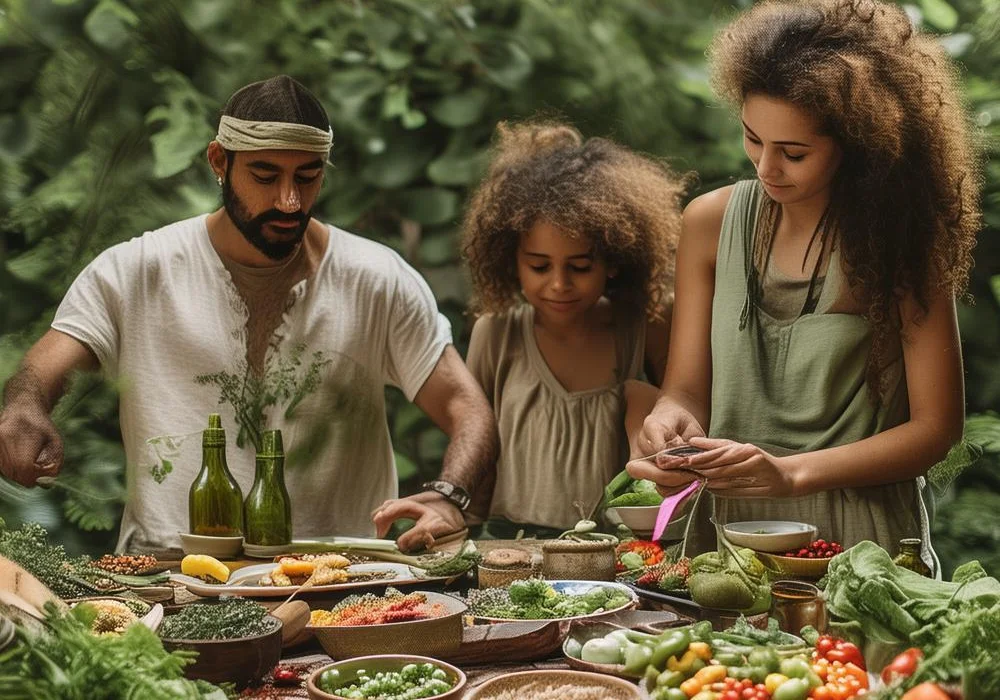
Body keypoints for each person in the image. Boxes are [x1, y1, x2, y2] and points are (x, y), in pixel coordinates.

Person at [0, 75, 498, 553]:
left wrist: (448, 495)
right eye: (266, 175)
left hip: (340, 580)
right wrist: (24, 407)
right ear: (219, 160)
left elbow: (467, 407)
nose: (289, 200)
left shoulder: (375, 279)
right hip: (171, 576)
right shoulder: (136, 271)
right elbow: (42, 369)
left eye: (308, 176)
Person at [628, 0, 981, 566]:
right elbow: (685, 389)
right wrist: (672, 423)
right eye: (752, 139)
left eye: (793, 152)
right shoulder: (709, 223)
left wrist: (790, 474)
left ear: (860, 146)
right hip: (731, 537)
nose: (766, 168)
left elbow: (937, 430)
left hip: (861, 543)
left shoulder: (899, 243)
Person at [456, 121, 687, 535]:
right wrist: (463, 530)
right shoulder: (497, 333)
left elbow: (680, 414)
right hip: (507, 541)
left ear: (615, 260)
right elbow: (479, 444)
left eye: (580, 266)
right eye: (539, 266)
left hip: (612, 548)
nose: (559, 284)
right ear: (511, 259)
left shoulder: (642, 328)